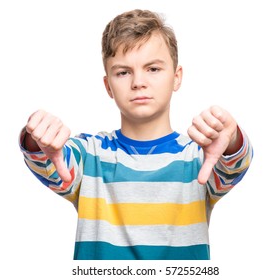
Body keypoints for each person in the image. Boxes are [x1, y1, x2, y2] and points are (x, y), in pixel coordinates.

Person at [19, 9, 253, 260]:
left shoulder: (199, 157)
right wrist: (36, 137)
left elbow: (232, 164)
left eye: (153, 69)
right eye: (123, 72)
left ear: (176, 78)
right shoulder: (90, 155)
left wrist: (232, 140)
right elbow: (49, 160)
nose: (138, 82)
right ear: (108, 85)